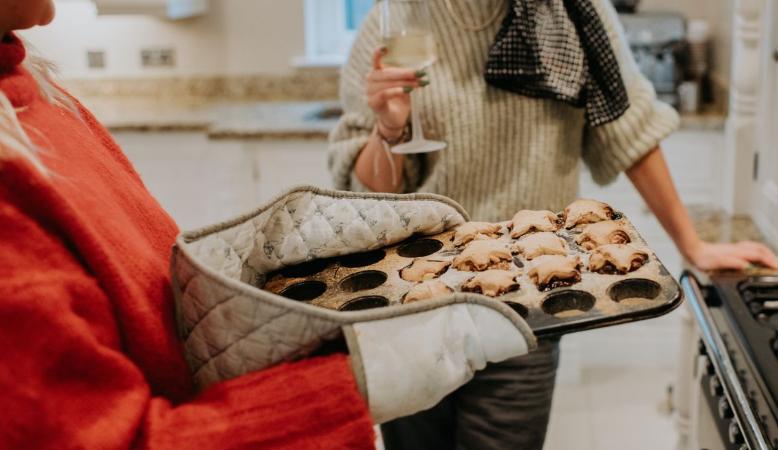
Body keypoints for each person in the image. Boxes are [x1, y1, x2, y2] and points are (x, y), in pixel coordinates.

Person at [2, 1, 533, 448]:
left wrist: (241, 278)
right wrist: (352, 379)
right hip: (417, 302)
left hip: (525, 288)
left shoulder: (36, 91)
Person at [328, 0, 778, 448]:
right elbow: (368, 192)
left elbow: (631, 131)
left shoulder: (574, 10)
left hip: (525, 308)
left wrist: (692, 244)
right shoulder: (394, 19)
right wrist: (389, 129)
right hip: (417, 311)